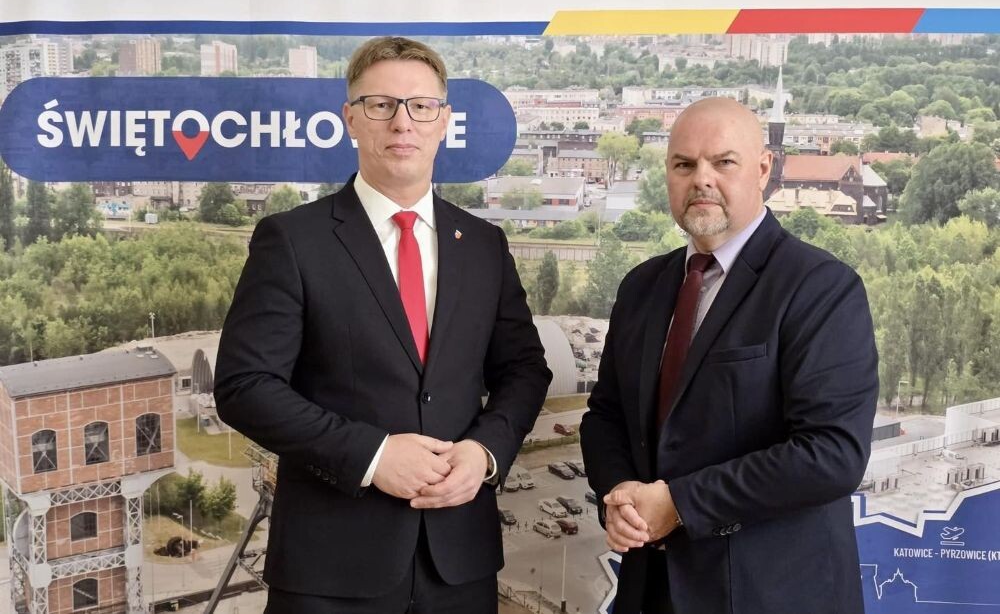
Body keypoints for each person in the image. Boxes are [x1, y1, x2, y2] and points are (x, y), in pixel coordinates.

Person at [214, 36, 551, 613]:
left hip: (459, 564)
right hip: (330, 570)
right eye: (381, 104)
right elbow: (245, 386)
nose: (402, 121)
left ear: (443, 121)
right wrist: (372, 455)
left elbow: (524, 370)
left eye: (421, 105)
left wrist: (484, 452)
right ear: (351, 118)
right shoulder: (293, 240)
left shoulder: (484, 246)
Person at [580, 97, 878, 614]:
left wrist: (679, 504)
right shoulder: (642, 286)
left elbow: (832, 453)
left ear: (763, 169)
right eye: (684, 164)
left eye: (723, 162)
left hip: (771, 595)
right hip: (649, 589)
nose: (702, 179)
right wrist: (621, 492)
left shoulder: (821, 287)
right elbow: (606, 415)